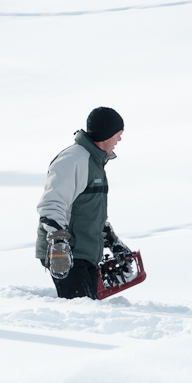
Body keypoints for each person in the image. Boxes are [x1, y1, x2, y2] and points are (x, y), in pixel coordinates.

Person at [35, 106, 129, 300]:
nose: (119, 139)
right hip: (67, 254)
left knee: (90, 308)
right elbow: (52, 204)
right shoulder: (74, 159)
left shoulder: (95, 163)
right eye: (118, 134)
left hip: (85, 253)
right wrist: (59, 243)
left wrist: (110, 238)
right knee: (83, 311)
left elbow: (87, 210)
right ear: (107, 134)